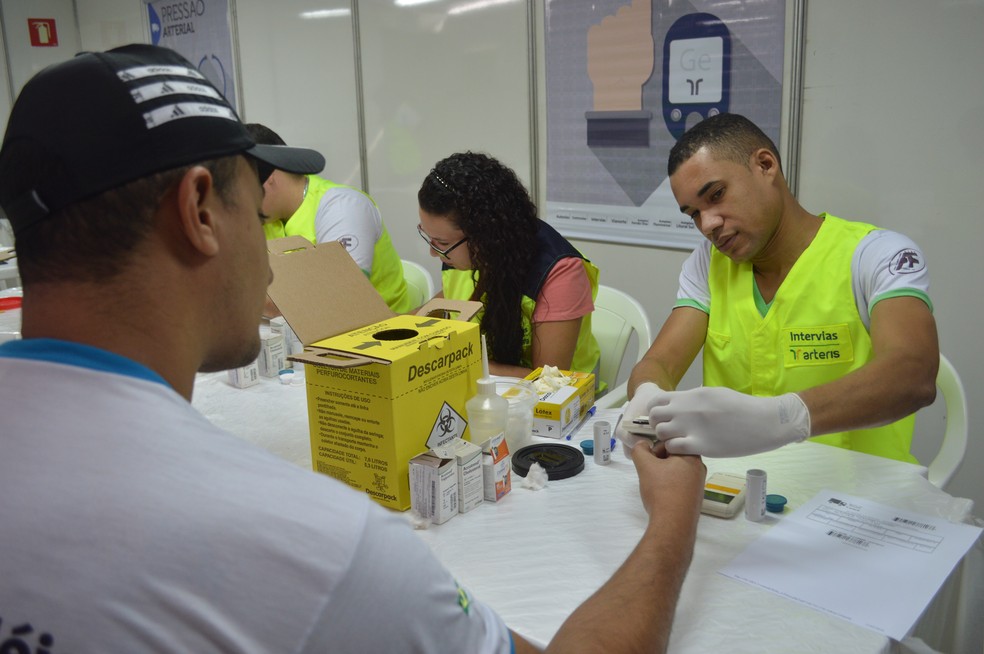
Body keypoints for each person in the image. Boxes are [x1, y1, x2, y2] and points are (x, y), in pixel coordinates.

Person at [0, 44, 707, 653]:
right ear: (199, 212)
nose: (276, 255)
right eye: (257, 211)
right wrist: (673, 518)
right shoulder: (318, 542)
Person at [617, 113, 939, 463]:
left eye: (717, 195)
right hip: (740, 485)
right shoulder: (709, 264)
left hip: (853, 493)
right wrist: (647, 396)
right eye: (693, 213)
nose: (707, 224)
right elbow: (660, 363)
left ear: (765, 165)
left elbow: (913, 374)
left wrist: (784, 418)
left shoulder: (875, 255)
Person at [418, 152, 601, 380]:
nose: (433, 252)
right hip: (488, 389)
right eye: (429, 238)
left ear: (483, 236)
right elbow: (449, 301)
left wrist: (452, 359)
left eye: (442, 243)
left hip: (559, 403)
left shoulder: (560, 271)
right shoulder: (465, 256)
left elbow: (549, 380)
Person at [245, 122, 413, 314]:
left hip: (375, 333)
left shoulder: (342, 206)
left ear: (268, 176)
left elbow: (341, 296)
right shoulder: (265, 217)